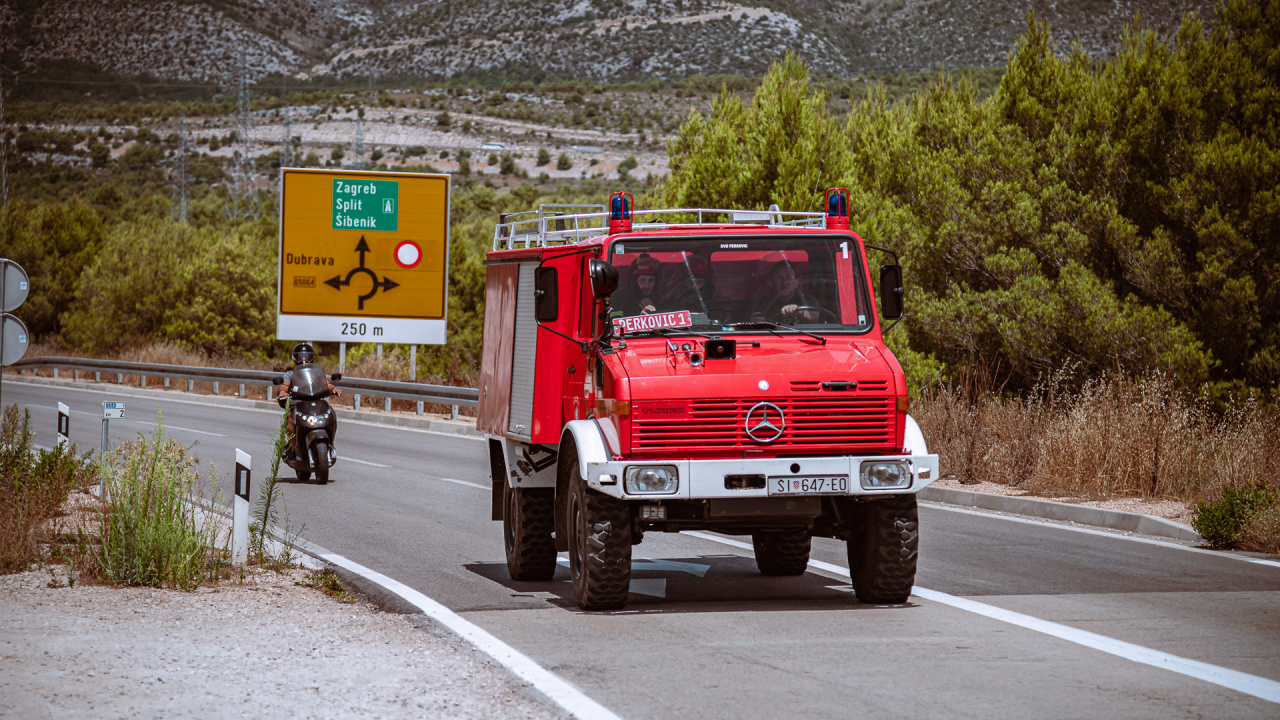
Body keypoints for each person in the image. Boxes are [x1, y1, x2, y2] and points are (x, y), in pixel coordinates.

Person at [278, 343, 342, 449]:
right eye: (300, 356)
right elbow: (284, 385)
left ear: (312, 358)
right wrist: (283, 392)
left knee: (331, 413)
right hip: (297, 404)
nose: (304, 359)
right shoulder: (291, 374)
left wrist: (334, 389)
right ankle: (294, 449)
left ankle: (330, 443)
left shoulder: (317, 372)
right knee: (290, 419)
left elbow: (327, 383)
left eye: (307, 357)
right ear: (295, 358)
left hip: (316, 402)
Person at [749, 261, 820, 323]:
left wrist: (798, 311)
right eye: (779, 277)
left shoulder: (807, 299)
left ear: (796, 283)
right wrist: (754, 323)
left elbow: (814, 318)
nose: (784, 282)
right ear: (771, 283)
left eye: (789, 277)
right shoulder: (763, 304)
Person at [667, 254, 727, 323]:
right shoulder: (672, 307)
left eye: (699, 282)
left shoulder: (717, 313)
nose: (694, 286)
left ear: (707, 285)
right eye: (689, 282)